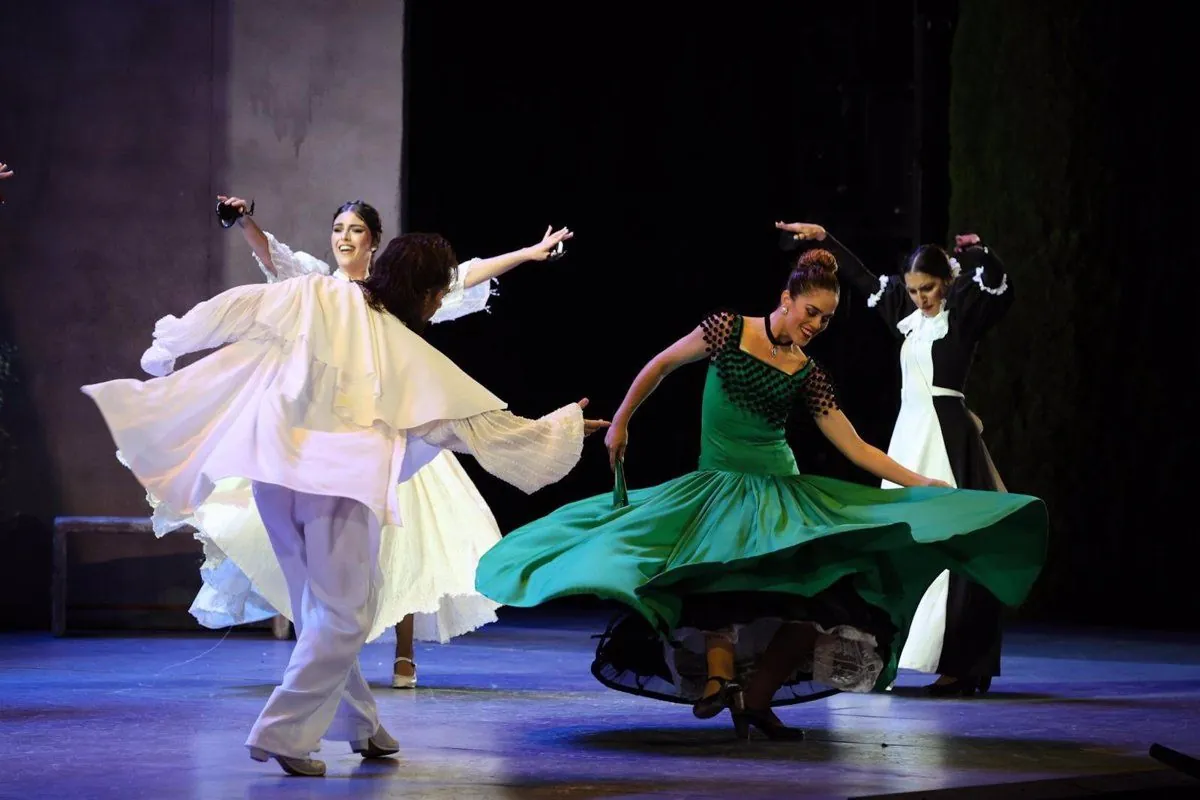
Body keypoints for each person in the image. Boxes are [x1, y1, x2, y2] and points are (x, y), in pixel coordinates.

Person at [84, 232, 608, 775]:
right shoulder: (400, 343)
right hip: (336, 483)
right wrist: (560, 429)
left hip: (275, 471)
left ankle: (361, 724)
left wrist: (171, 343)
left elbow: (236, 306)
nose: (436, 304)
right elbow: (464, 424)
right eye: (436, 292)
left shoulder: (315, 294)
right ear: (422, 290)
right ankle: (283, 732)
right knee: (343, 614)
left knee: (321, 608)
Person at [474, 247, 1047, 739]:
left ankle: (756, 695)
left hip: (778, 492)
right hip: (718, 487)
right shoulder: (728, 330)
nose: (816, 325)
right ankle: (722, 676)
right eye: (811, 312)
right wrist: (623, 419)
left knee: (817, 598)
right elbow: (662, 364)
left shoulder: (808, 372)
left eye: (826, 319)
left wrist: (923, 483)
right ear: (787, 298)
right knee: (713, 578)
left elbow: (855, 447)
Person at [170, 195, 571, 692]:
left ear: (374, 241)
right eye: (338, 228)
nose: (344, 237)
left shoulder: (394, 294)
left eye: (356, 230)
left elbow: (460, 278)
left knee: (405, 537)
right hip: (329, 431)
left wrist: (528, 253)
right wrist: (246, 220)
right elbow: (276, 259)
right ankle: (319, 656)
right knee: (318, 548)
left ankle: (400, 657)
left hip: (395, 427)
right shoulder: (321, 286)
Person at [776, 221, 1015, 697]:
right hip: (910, 437)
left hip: (946, 438)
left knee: (957, 546)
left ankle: (965, 663)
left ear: (944, 282)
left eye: (927, 288)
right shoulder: (909, 317)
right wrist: (826, 239)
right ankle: (892, 656)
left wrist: (980, 252)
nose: (920, 298)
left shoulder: (961, 313)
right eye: (913, 290)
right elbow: (862, 278)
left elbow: (997, 283)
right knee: (900, 545)